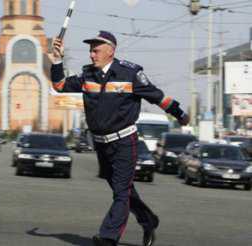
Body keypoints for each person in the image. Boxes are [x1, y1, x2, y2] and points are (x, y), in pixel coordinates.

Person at [50, 30, 189, 246]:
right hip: (101, 144)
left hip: (124, 142)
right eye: (90, 50)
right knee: (120, 188)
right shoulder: (87, 76)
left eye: (95, 50)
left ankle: (108, 237)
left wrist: (180, 114)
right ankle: (148, 219)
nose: (91, 55)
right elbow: (59, 86)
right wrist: (57, 60)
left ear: (110, 51)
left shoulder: (130, 73)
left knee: (121, 192)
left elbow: (157, 96)